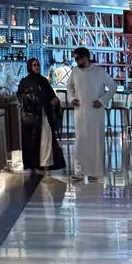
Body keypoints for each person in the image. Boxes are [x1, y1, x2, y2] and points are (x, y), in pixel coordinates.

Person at [67, 46, 118, 181]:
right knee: (80, 142)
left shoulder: (99, 71)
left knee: (96, 141)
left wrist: (102, 101)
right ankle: (79, 172)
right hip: (79, 113)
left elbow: (113, 87)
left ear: (86, 58)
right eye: (75, 59)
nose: (77, 61)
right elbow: (69, 86)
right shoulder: (75, 71)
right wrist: (72, 98)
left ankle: (96, 171)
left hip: (95, 112)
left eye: (79, 58)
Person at [16, 58, 65, 172]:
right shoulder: (25, 82)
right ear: (30, 67)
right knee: (32, 142)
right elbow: (21, 97)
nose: (37, 67)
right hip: (32, 118)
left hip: (45, 115)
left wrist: (55, 101)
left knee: (46, 140)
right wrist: (31, 99)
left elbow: (51, 95)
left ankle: (46, 165)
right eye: (34, 65)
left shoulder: (43, 81)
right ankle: (33, 165)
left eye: (38, 65)